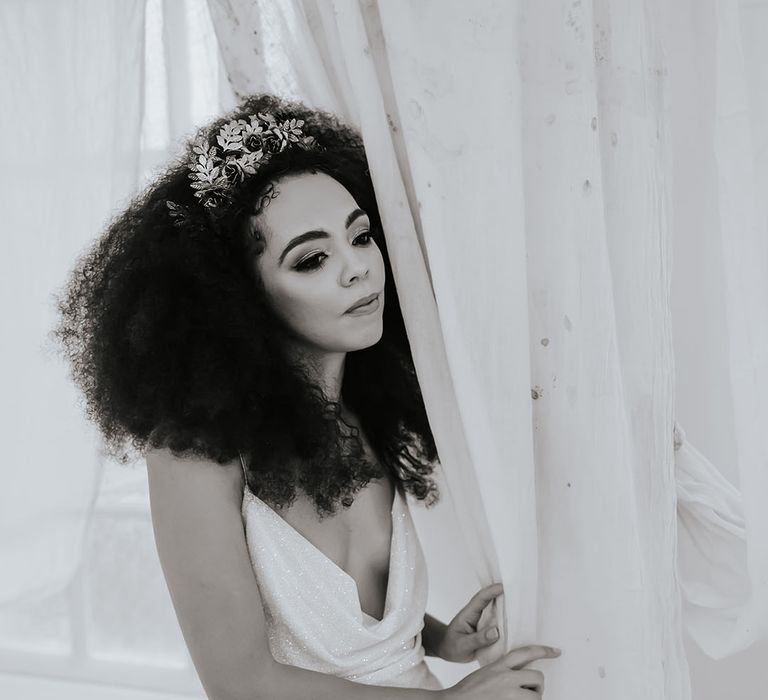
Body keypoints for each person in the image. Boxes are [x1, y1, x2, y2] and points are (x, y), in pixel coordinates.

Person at [52, 92, 560, 698]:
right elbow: (242, 683)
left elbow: (338, 624)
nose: (358, 269)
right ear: (237, 297)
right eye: (313, 258)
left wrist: (438, 639)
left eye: (362, 237)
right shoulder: (196, 455)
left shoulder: (365, 414)